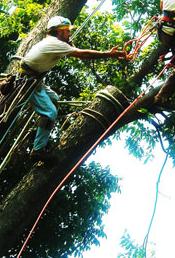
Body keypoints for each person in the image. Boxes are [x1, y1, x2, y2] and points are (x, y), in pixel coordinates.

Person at [20, 15, 126, 162]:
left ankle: (41, 130)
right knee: (50, 113)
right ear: (58, 32)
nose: (69, 34)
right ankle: (37, 150)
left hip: (35, 80)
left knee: (54, 99)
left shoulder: (53, 42)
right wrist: (109, 54)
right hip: (28, 82)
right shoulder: (55, 43)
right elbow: (82, 54)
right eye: (67, 31)